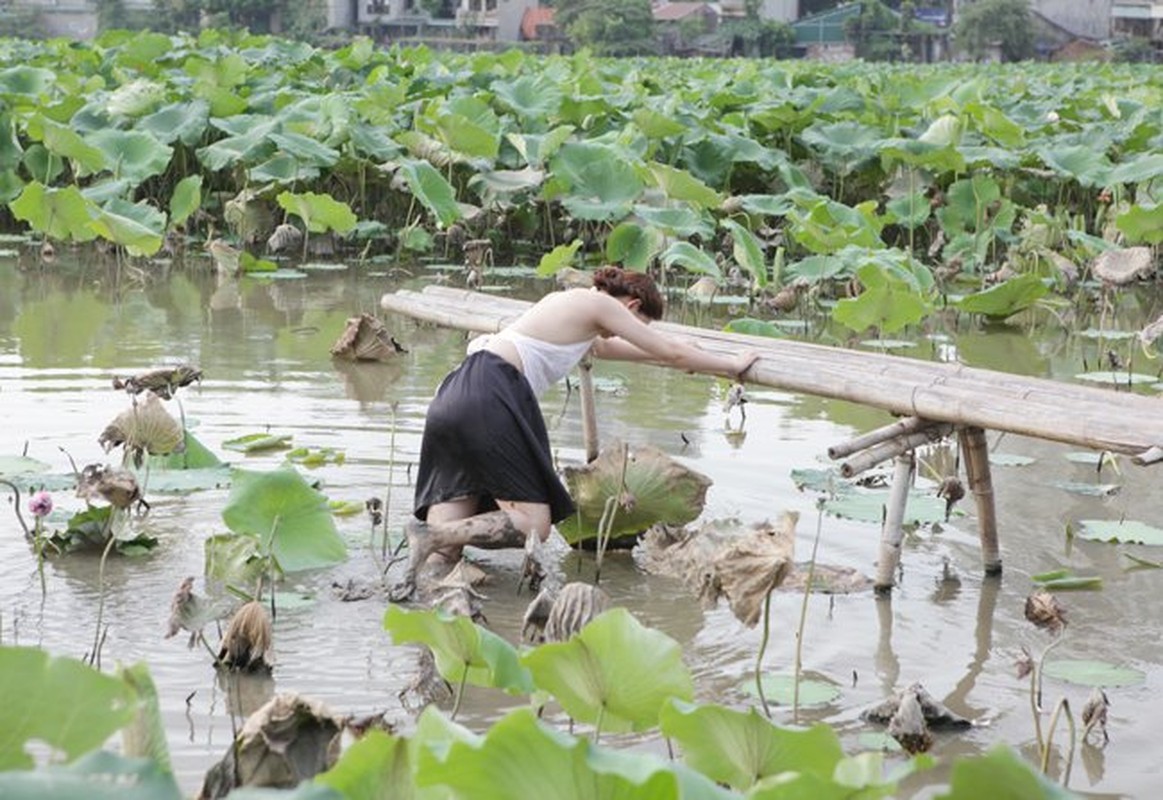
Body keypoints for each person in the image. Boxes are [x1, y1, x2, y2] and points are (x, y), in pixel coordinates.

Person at [389, 266, 760, 601]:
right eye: (639, 325)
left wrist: (683, 355)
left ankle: (425, 583)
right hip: (490, 393)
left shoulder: (575, 314)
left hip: (452, 395)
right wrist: (730, 365)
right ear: (630, 307)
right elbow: (668, 353)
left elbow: (633, 351)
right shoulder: (599, 306)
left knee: (444, 558)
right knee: (536, 525)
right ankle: (431, 535)